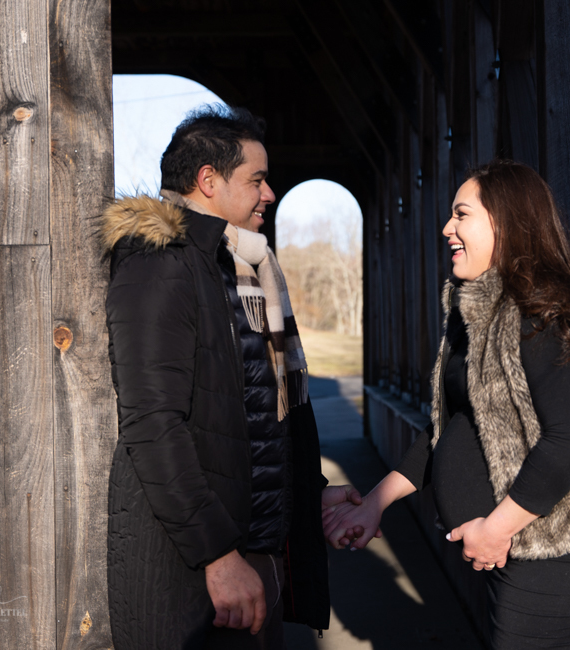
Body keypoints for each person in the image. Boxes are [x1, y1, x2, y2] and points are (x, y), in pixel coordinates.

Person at [323, 160, 570, 649]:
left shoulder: (543, 314)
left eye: (461, 215)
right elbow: (450, 428)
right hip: (527, 556)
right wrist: (375, 504)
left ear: (508, 223)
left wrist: (496, 530)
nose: (446, 229)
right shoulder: (476, 315)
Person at [100, 104, 360, 649]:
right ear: (208, 181)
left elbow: (259, 413)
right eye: (258, 180)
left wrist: (305, 495)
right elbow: (153, 424)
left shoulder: (237, 265)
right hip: (195, 575)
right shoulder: (161, 262)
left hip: (252, 553)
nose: (270, 195)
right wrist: (218, 557)